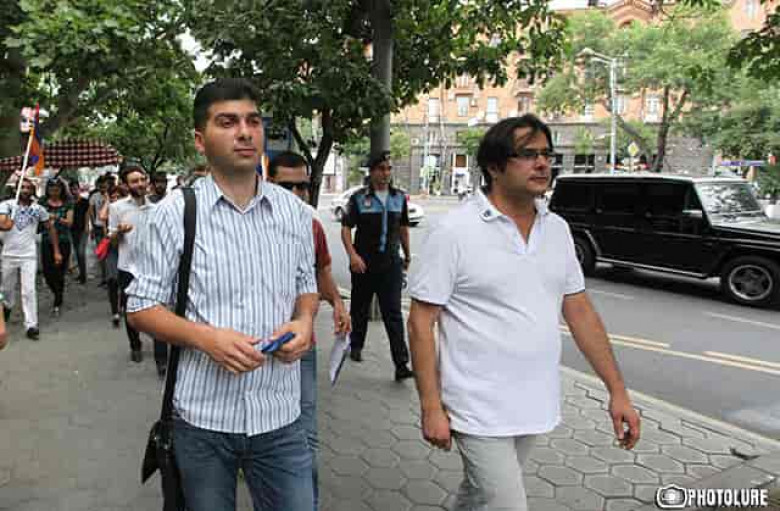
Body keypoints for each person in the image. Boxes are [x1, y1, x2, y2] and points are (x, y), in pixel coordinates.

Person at [407, 115, 641, 511]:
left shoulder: (557, 230)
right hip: (475, 406)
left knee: (479, 495)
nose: (543, 163)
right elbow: (420, 322)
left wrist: (617, 391)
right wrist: (431, 406)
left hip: (533, 401)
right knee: (507, 503)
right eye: (528, 154)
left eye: (547, 154)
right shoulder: (454, 231)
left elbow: (580, 311)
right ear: (495, 166)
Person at [127, 78, 318, 511]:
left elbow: (306, 286)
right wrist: (207, 339)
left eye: (253, 121)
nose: (245, 132)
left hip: (280, 415)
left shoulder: (293, 212)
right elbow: (140, 307)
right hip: (203, 420)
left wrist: (304, 322)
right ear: (200, 140)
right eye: (228, 122)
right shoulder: (174, 214)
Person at [267, 150, 351, 510]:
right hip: (249, 347)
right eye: (287, 186)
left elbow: (323, 272)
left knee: (305, 435)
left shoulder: (311, 225)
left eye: (303, 186)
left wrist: (338, 304)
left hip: (301, 347)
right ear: (268, 183)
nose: (297, 194)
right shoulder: (243, 225)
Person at [340, 151, 414, 381]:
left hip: (390, 263)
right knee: (359, 308)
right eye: (381, 168)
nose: (385, 173)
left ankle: (401, 364)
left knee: (393, 314)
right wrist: (353, 256)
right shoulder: (359, 198)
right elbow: (346, 228)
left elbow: (403, 228)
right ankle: (356, 345)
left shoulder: (399, 198)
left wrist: (407, 255)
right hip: (364, 263)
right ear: (371, 172)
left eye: (388, 168)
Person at [109, 162, 168, 372]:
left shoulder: (157, 208)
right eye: (135, 181)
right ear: (125, 185)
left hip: (153, 268)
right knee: (130, 311)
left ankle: (161, 358)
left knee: (159, 312)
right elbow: (112, 243)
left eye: (143, 180)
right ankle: (135, 345)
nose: (141, 184)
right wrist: (119, 232)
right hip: (128, 268)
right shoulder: (117, 208)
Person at [0, 178, 62, 339]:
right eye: (23, 187)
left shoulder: (39, 209)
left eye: (29, 188)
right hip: (8, 254)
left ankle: (31, 325)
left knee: (29, 290)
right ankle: (7, 306)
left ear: (33, 191)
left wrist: (56, 251)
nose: (26, 190)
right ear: (16, 189)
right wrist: (9, 219)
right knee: (7, 290)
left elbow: (51, 228)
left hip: (28, 255)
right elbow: (3, 224)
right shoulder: (6, 205)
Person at [39, 177, 74, 317]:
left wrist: (56, 217)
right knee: (48, 272)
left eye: (57, 189)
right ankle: (57, 292)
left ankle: (58, 300)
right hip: (46, 241)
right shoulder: (42, 202)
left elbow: (69, 222)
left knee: (59, 272)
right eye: (52, 189)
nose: (54, 191)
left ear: (61, 190)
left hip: (63, 241)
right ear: (48, 190)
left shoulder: (68, 203)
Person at [100, 184, 122, 327]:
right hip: (112, 248)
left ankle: (124, 305)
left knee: (125, 280)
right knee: (112, 279)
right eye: (113, 197)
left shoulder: (126, 209)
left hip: (126, 247)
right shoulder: (108, 209)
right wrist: (108, 201)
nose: (115, 199)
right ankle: (115, 311)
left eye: (118, 196)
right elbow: (102, 216)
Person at [87, 176, 109, 286]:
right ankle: (104, 278)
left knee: (110, 254)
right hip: (98, 227)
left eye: (104, 186)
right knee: (101, 253)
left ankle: (110, 278)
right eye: (101, 186)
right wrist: (93, 226)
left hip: (110, 228)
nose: (103, 188)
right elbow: (91, 211)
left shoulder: (111, 195)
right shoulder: (94, 196)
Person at [69, 179, 89, 284]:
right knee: (77, 252)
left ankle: (83, 276)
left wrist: (87, 227)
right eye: (72, 189)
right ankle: (81, 274)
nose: (74, 191)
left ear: (79, 189)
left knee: (81, 252)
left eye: (75, 189)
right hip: (73, 230)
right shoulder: (69, 202)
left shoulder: (84, 201)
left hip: (83, 230)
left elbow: (87, 215)